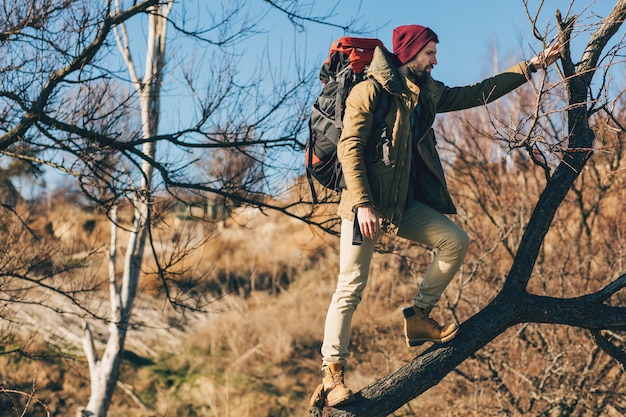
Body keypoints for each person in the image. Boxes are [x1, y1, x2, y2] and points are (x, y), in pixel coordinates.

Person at [310, 24, 561, 408]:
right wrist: (362, 203)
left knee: (454, 241)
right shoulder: (370, 91)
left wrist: (531, 66)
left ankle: (420, 315)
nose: (435, 60)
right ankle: (332, 375)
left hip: (401, 205)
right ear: (409, 53)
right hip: (363, 206)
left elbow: (477, 93)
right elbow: (349, 148)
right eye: (430, 53)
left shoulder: (426, 93)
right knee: (350, 286)